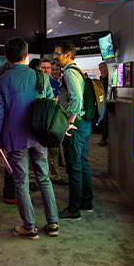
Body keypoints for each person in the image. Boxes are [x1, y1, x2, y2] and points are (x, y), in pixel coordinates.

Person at [0, 38, 59, 239]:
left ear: (6, 56)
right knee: (44, 178)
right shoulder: (41, 77)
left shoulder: (2, 80)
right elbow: (50, 105)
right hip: (39, 135)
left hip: (14, 138)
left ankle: (29, 227)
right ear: (26, 54)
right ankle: (53, 223)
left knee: (21, 182)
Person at [55, 42, 93, 220]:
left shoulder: (70, 72)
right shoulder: (77, 71)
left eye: (58, 54)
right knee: (82, 163)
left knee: (74, 166)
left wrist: (70, 120)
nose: (55, 57)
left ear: (67, 55)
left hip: (75, 125)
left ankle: (74, 209)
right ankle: (86, 202)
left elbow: (76, 98)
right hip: (84, 124)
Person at [40, 58, 67, 186]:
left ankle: (54, 176)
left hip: (52, 121)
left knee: (54, 151)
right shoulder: (37, 81)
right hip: (41, 121)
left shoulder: (56, 83)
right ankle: (38, 177)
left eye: (48, 68)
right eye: (44, 68)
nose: (46, 70)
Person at [0, 60, 16, 204]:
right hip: (14, 129)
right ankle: (10, 193)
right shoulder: (9, 74)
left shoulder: (0, 73)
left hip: (8, 128)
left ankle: (11, 192)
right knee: (13, 161)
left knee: (12, 161)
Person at [98, 62, 109, 146]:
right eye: (100, 68)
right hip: (103, 102)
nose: (101, 69)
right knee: (104, 120)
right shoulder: (101, 78)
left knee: (107, 120)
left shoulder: (109, 77)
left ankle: (104, 138)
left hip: (109, 102)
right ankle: (104, 138)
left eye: (102, 67)